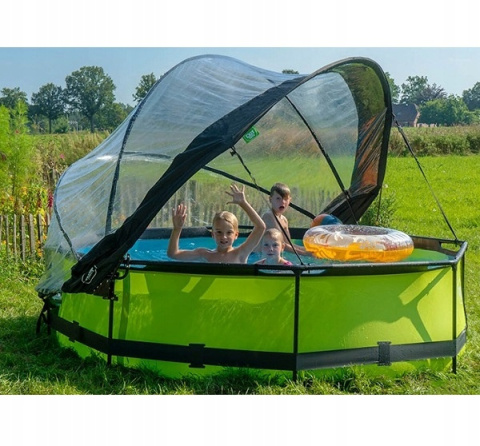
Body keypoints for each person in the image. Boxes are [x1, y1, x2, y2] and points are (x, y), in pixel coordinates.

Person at [167, 183, 266, 263]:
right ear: (212, 234)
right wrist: (177, 229)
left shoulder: (241, 253)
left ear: (236, 235)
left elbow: (261, 227)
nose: (224, 237)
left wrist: (243, 203)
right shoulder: (204, 254)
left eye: (229, 232)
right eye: (219, 232)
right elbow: (173, 254)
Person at [261, 182, 309, 256]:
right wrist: (305, 253)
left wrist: (308, 250)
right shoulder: (269, 216)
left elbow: (288, 244)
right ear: (270, 199)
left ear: (289, 200)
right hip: (258, 256)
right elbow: (283, 246)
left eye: (285, 199)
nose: (282, 202)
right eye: (278, 198)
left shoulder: (284, 220)